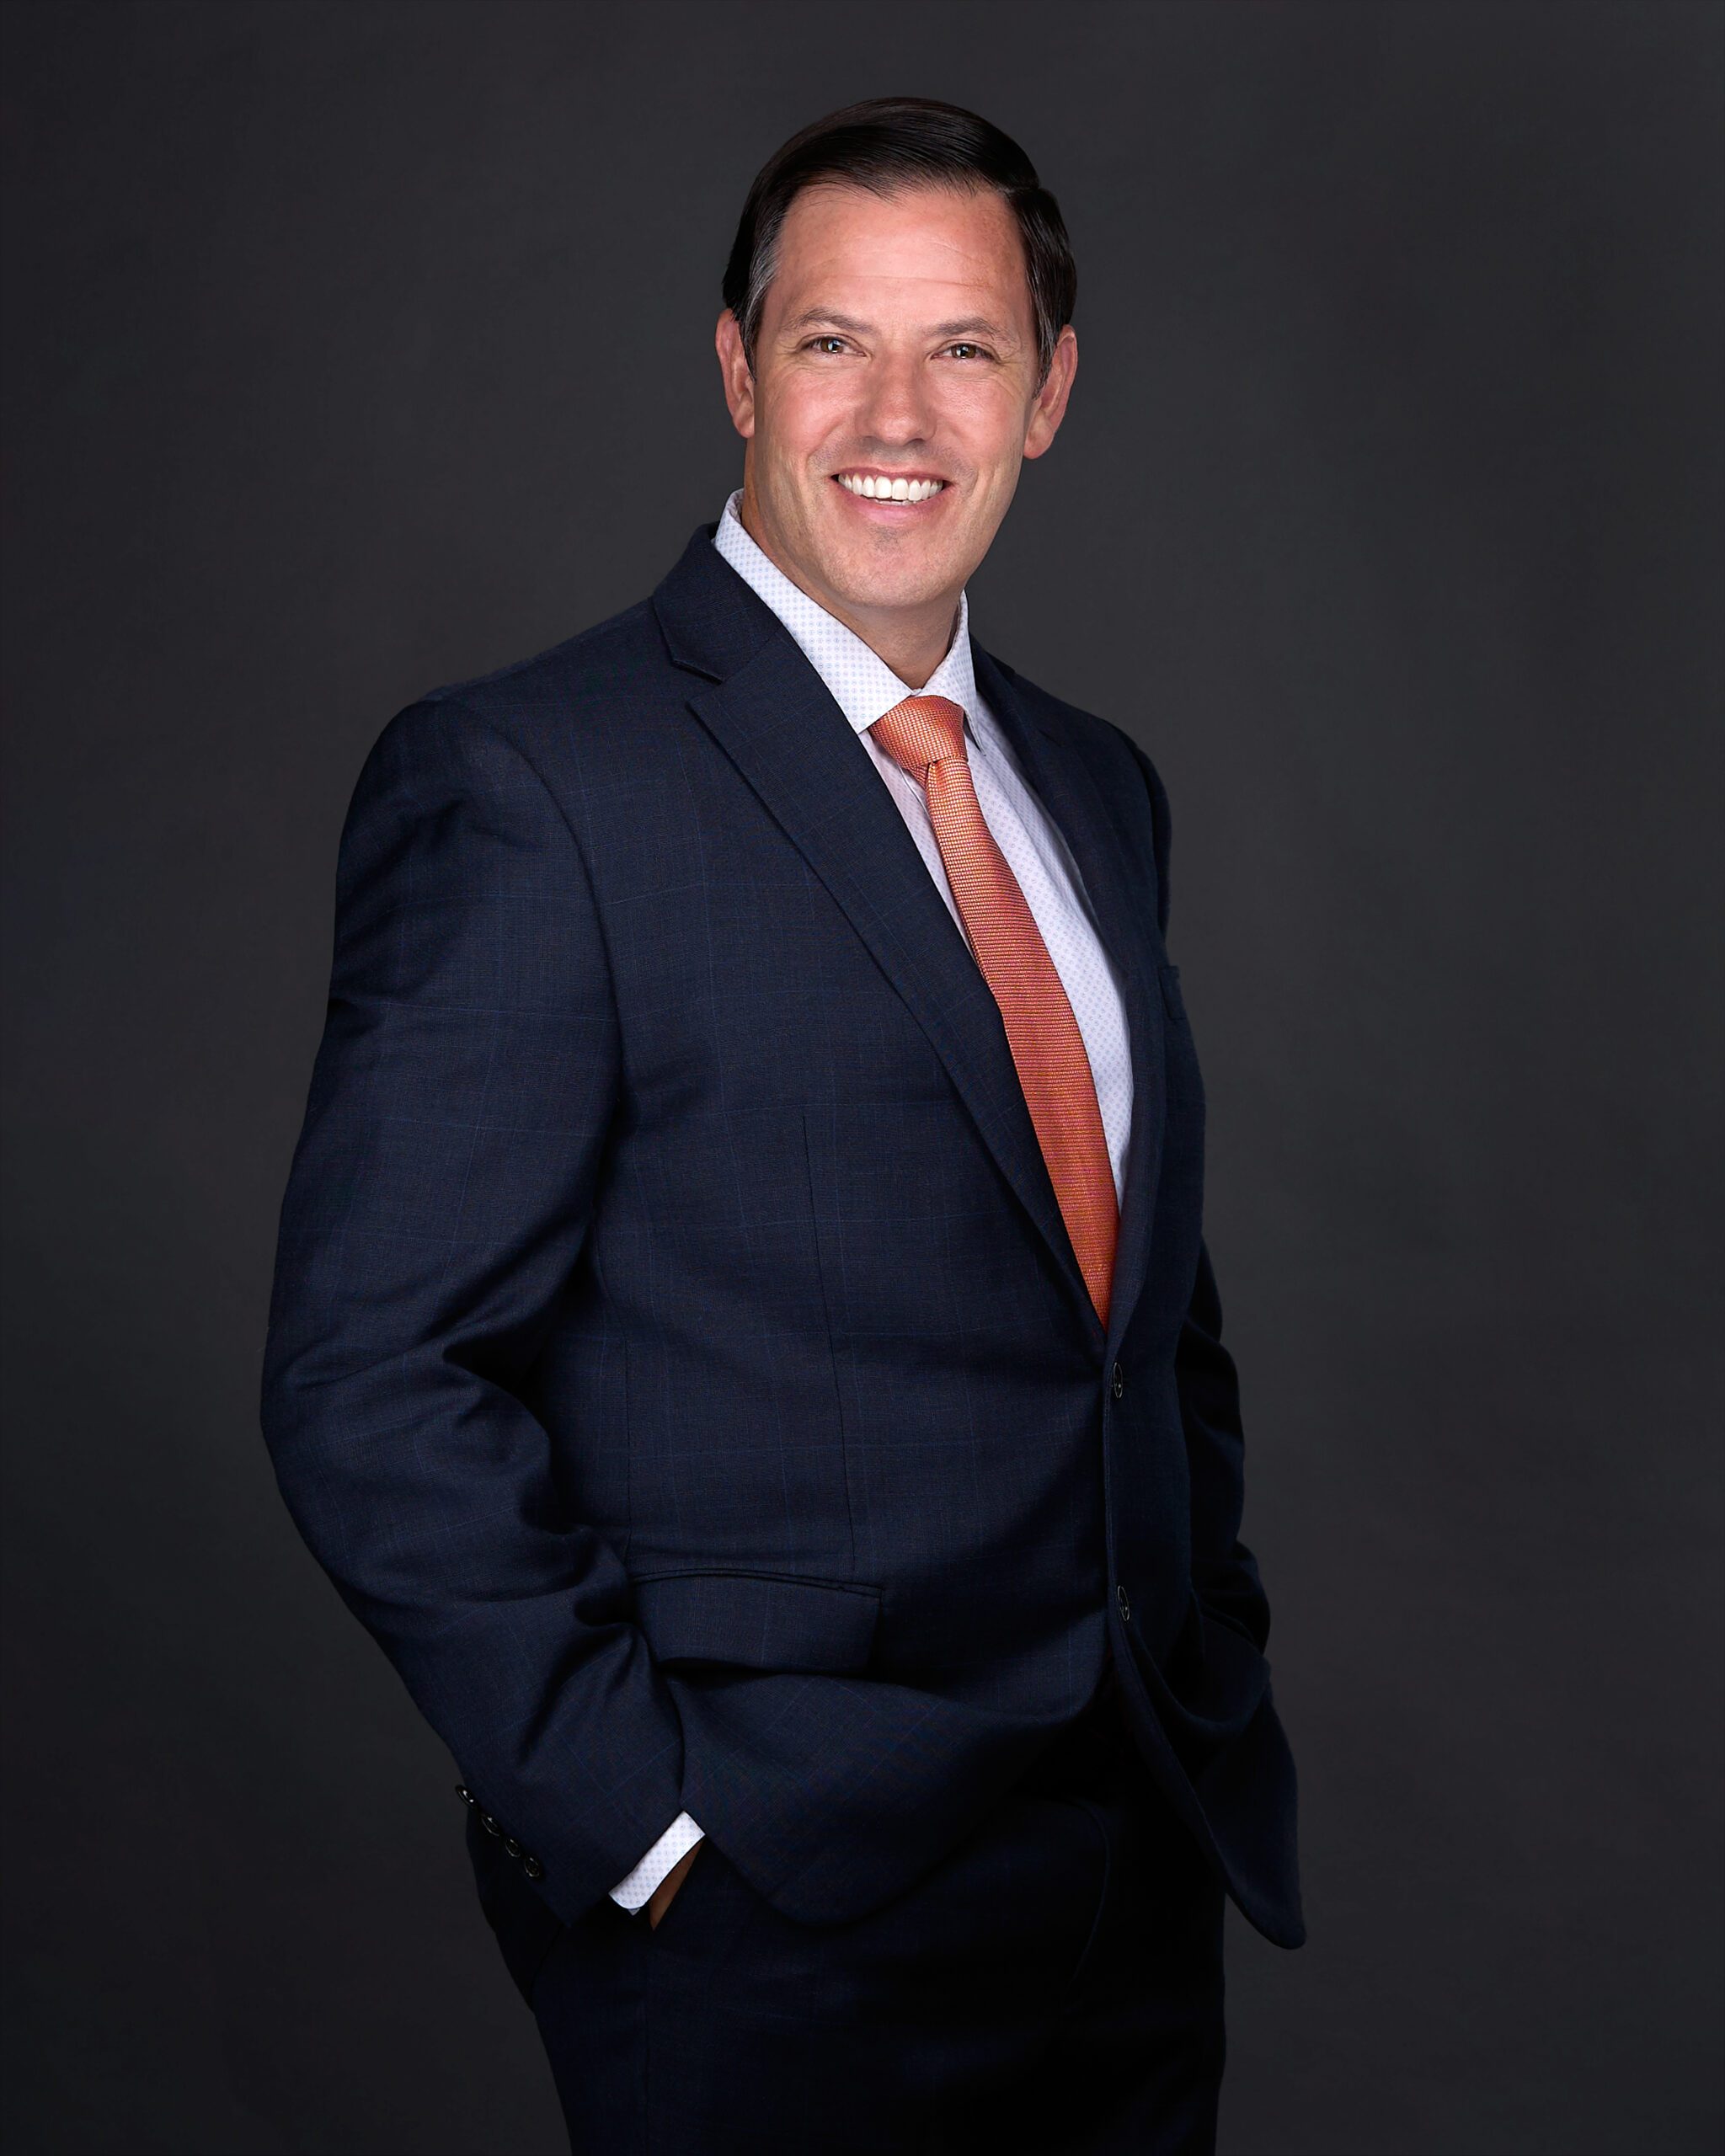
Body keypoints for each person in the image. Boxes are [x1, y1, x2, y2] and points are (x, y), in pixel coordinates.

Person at [261, 94, 1302, 2154]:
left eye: (966, 347)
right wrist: (641, 1826)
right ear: (739, 367)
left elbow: (1136, 1307)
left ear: (1051, 392)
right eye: (834, 340)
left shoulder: (1093, 786)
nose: (895, 408)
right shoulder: (532, 783)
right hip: (763, 1914)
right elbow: (368, 1377)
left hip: (1127, 1871)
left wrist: (1204, 1659)